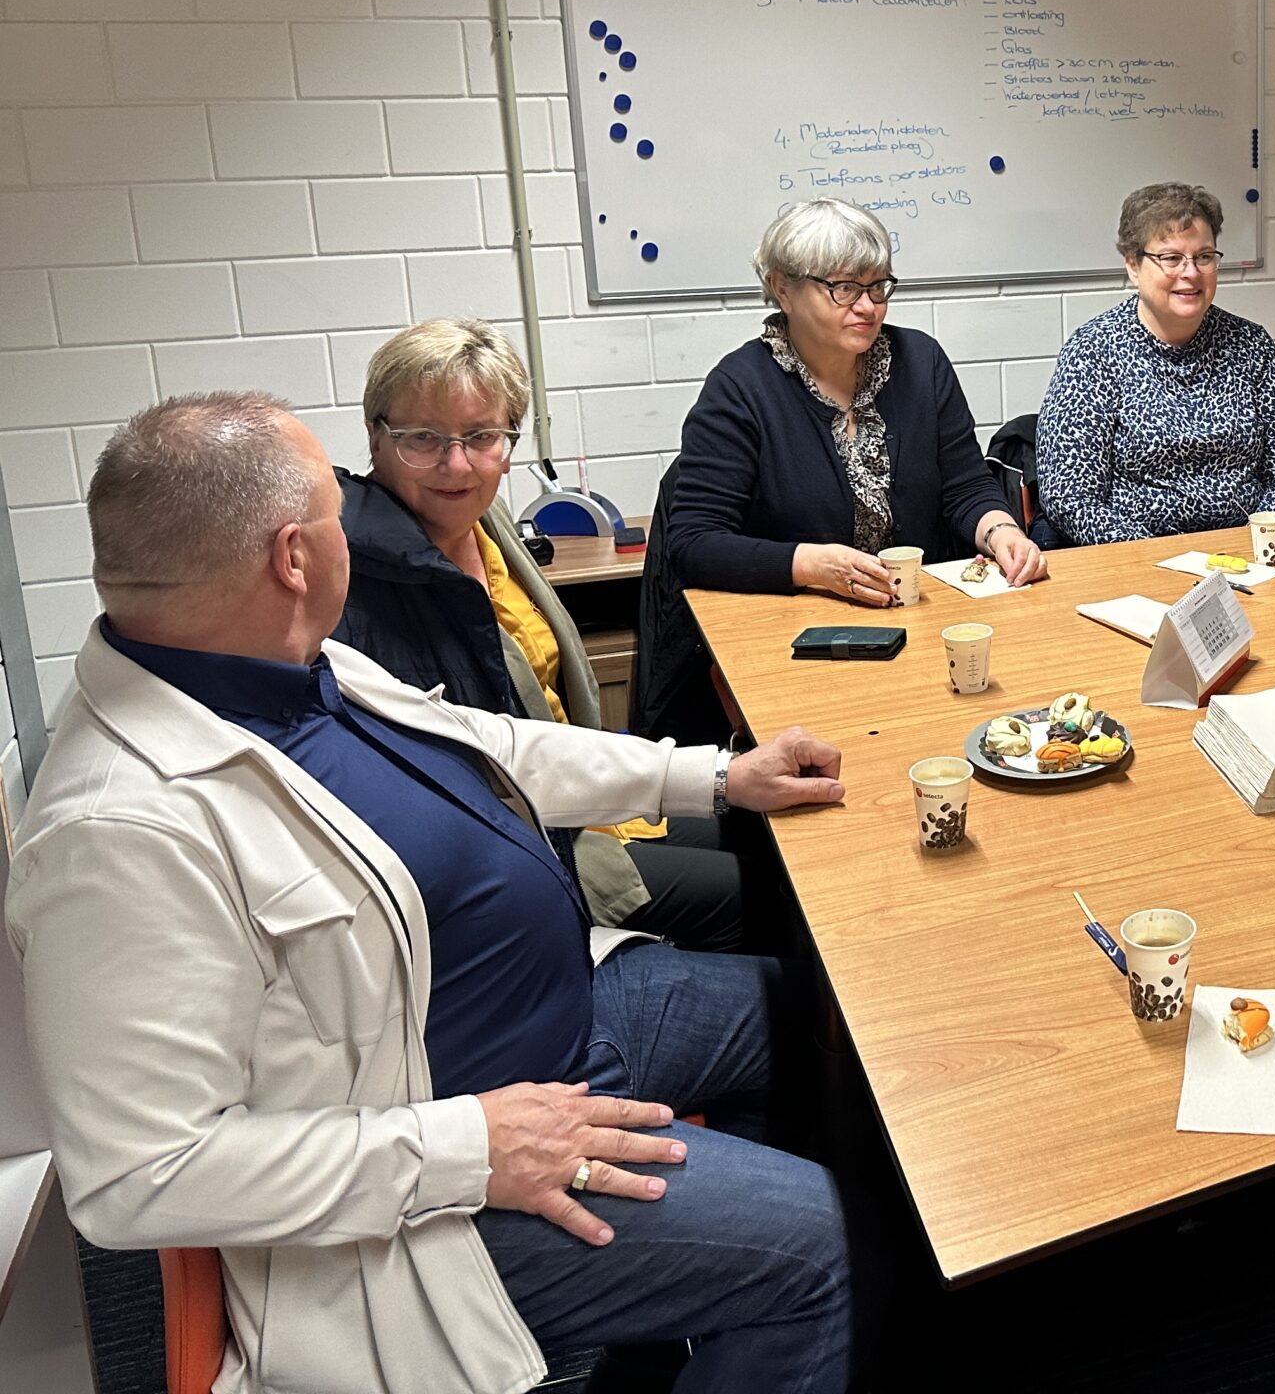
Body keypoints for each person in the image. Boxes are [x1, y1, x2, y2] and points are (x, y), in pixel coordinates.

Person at [7, 394, 872, 1392]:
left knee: (835, 1023)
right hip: (440, 1190)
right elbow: (136, 1179)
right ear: (295, 558)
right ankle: (757, 1287)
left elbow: (489, 747)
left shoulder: (287, 664)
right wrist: (472, 1147)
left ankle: (682, 1316)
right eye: (337, 513)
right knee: (830, 1250)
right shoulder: (114, 832)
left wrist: (714, 777)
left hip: (567, 1020)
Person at [333, 319, 745, 952]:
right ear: (374, 436)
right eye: (423, 438)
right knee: (754, 892)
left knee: (761, 834)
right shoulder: (360, 582)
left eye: (481, 437)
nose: (456, 463)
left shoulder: (487, 522)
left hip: (581, 797)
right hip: (526, 846)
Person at [633, 198, 1044, 743]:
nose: (868, 307)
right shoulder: (739, 389)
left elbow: (965, 486)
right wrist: (811, 565)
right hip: (794, 646)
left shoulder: (921, 363)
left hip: (916, 629)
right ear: (783, 289)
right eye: (845, 288)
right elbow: (694, 543)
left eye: (879, 287)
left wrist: (1002, 531)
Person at [1036, 181, 1275, 544]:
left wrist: (1252, 547)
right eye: (1171, 258)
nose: (1191, 272)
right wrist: (1151, 556)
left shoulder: (1251, 345)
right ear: (1133, 265)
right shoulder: (1093, 352)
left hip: (1246, 557)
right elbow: (1069, 497)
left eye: (1204, 256)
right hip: (1135, 558)